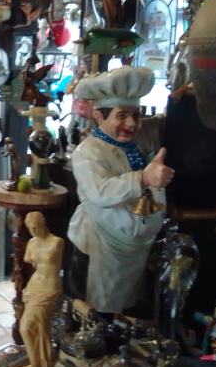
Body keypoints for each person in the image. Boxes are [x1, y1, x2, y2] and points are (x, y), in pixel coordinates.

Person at [66, 66, 174, 315]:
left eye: (136, 115)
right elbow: (99, 192)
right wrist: (143, 178)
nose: (131, 123)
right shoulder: (88, 152)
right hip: (102, 246)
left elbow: (166, 121)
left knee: (129, 309)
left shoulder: (141, 136)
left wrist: (179, 98)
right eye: (121, 115)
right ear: (99, 116)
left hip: (138, 248)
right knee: (96, 312)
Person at [19, 211, 64, 367]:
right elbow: (31, 264)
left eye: (36, 227)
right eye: (30, 228)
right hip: (32, 289)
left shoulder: (57, 242)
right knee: (33, 330)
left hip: (49, 291)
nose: (33, 231)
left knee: (27, 328)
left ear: (43, 223)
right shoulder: (31, 243)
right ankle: (36, 365)